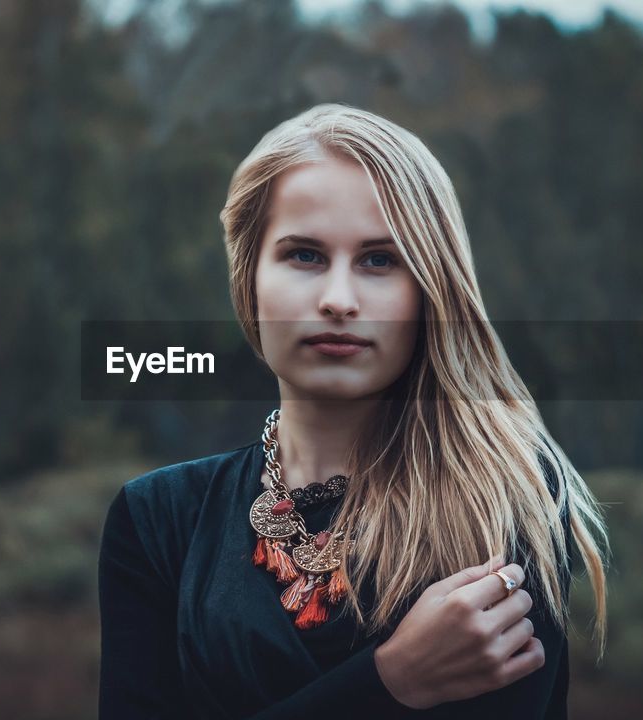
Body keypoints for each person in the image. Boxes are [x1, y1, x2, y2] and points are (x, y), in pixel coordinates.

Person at [98, 103, 609, 719]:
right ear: (249, 278)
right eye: (305, 255)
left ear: (429, 288)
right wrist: (388, 683)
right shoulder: (157, 520)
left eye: (379, 260)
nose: (339, 300)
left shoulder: (501, 496)